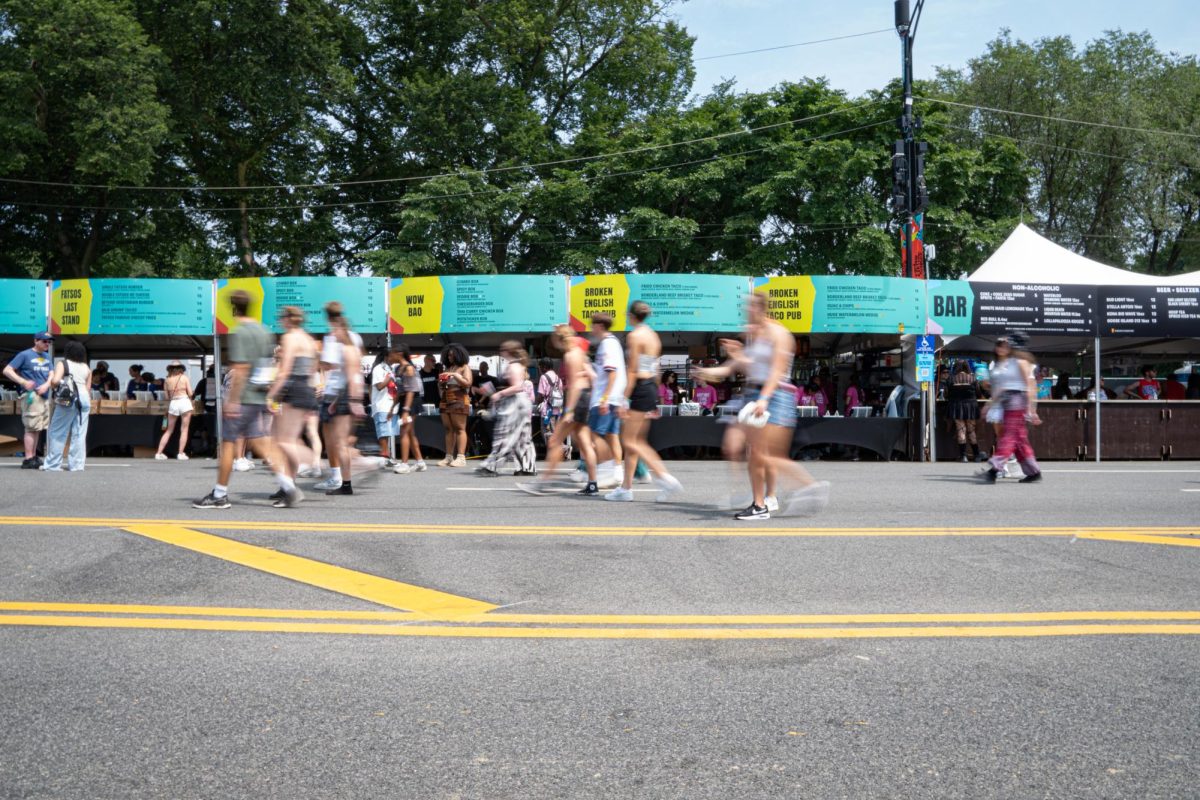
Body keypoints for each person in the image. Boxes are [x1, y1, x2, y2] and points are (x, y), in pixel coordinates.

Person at [699, 293, 827, 521]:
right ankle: (768, 500)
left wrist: (763, 399)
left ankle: (788, 494)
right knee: (755, 452)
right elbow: (738, 368)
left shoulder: (779, 334)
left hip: (776, 395)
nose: (745, 312)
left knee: (764, 454)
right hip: (756, 394)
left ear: (760, 308)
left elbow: (776, 371)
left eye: (749, 307)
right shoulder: (755, 337)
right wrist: (708, 371)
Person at [193, 290, 277, 509]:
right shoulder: (263, 331)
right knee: (261, 444)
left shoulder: (239, 331)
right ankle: (288, 487)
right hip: (258, 396)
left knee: (229, 444)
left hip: (243, 398)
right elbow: (266, 366)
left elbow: (240, 369)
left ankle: (220, 494)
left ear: (233, 308)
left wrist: (232, 400)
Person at [606, 301, 682, 502]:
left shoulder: (634, 336)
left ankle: (665, 477)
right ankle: (626, 489)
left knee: (630, 441)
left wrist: (623, 398)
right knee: (635, 443)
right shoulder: (653, 336)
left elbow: (632, 370)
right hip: (649, 388)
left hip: (639, 388)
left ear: (631, 316)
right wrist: (655, 398)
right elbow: (654, 368)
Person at [517, 325, 594, 495]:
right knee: (584, 443)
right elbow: (592, 376)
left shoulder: (570, 355)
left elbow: (574, 385)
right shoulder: (580, 352)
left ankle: (543, 483)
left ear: (560, 340)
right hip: (585, 398)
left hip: (577, 400)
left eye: (554, 340)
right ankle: (593, 484)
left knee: (554, 441)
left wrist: (570, 411)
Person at [264, 306, 320, 507]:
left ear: (289, 319)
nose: (280, 321)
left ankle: (316, 464)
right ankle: (290, 489)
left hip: (293, 389)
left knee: (283, 442)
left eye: (281, 317)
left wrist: (271, 396)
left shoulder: (289, 338)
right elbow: (313, 370)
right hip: (306, 388)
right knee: (291, 439)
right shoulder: (309, 339)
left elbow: (284, 371)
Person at [314, 302, 367, 495]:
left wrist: (353, 401)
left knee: (339, 442)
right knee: (340, 441)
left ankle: (352, 475)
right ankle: (346, 479)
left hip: (343, 396)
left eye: (335, 332)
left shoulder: (344, 348)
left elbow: (350, 376)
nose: (332, 335)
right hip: (342, 396)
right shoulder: (352, 344)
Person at [980, 334, 1042, 484]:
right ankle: (1033, 471)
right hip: (1008, 400)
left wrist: (1032, 409)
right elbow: (1002, 387)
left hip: (1017, 400)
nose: (1007, 346)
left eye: (1010, 344)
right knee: (1019, 440)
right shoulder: (1010, 362)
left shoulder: (1022, 362)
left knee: (1009, 436)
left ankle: (995, 469)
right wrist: (990, 404)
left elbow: (1031, 385)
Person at [579, 312, 626, 496]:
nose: (591, 328)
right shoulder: (613, 343)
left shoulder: (607, 344)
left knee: (592, 437)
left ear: (599, 325)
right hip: (613, 398)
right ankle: (616, 472)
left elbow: (611, 373)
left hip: (605, 399)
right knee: (612, 436)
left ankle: (606, 473)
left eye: (593, 325)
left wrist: (605, 398)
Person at [476, 341, 537, 477]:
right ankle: (527, 467)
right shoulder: (516, 365)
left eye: (503, 349)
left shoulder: (513, 366)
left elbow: (518, 386)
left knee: (504, 433)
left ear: (508, 351)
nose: (500, 351)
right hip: (519, 402)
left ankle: (491, 466)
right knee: (522, 437)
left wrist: (499, 393)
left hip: (514, 403)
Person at [2, 332, 54, 468]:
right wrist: (23, 382)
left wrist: (47, 384)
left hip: (43, 395)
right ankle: (28, 458)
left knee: (37, 428)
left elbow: (51, 373)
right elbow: (7, 370)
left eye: (49, 342)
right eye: (44, 341)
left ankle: (33, 456)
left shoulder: (47, 356)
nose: (47, 344)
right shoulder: (24, 355)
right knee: (31, 428)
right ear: (36, 341)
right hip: (31, 396)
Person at [42, 340, 92, 472]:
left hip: (68, 400)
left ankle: (53, 465)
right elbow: (88, 388)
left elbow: (55, 381)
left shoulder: (63, 364)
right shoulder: (86, 368)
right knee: (79, 433)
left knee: (58, 431)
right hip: (84, 400)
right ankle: (76, 465)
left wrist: (57, 381)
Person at [391, 344, 427, 474]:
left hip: (411, 402)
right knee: (410, 433)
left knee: (404, 432)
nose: (390, 356)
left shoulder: (409, 368)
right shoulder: (397, 369)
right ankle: (420, 462)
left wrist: (406, 411)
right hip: (404, 401)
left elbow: (411, 391)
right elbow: (400, 392)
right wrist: (391, 409)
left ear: (399, 353)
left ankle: (405, 464)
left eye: (392, 353)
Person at [437, 344, 472, 467]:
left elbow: (467, 383)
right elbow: (442, 386)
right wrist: (442, 382)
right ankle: (449, 456)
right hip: (446, 397)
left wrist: (456, 375)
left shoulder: (464, 367)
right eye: (448, 354)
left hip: (459, 397)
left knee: (459, 428)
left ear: (458, 355)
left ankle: (461, 457)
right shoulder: (449, 367)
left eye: (452, 354)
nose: (449, 356)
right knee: (448, 428)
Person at [154, 360, 194, 461]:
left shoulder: (167, 380)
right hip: (184, 402)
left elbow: (167, 396)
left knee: (168, 430)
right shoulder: (184, 378)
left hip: (174, 403)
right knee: (184, 430)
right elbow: (190, 393)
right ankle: (180, 453)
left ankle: (158, 453)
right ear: (181, 368)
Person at [370, 346, 401, 465]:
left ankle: (386, 456)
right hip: (381, 405)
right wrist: (389, 378)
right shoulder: (378, 369)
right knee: (383, 432)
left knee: (387, 432)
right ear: (387, 356)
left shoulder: (391, 368)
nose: (395, 356)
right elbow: (379, 386)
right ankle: (384, 456)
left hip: (390, 404)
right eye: (393, 354)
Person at [948, 361, 982, 463]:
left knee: (961, 430)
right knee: (971, 430)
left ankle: (963, 456)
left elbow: (946, 394)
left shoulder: (951, 379)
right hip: (971, 406)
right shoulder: (973, 378)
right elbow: (978, 393)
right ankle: (976, 455)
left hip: (957, 406)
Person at [535, 357, 565, 444]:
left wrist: (537, 403)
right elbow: (561, 394)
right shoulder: (558, 379)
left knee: (547, 435)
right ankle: (560, 452)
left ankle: (560, 452)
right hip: (558, 411)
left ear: (544, 367)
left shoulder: (543, 377)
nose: (540, 369)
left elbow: (541, 395)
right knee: (556, 434)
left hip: (547, 411)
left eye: (540, 367)